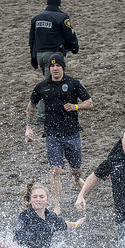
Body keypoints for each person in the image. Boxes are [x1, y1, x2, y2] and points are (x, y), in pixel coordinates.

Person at [25, 51, 93, 215]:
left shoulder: (73, 84)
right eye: (52, 66)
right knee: (55, 170)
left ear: (63, 66)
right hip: (52, 135)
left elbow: (89, 103)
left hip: (72, 134)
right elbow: (31, 107)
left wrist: (76, 106)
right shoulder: (42, 87)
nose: (55, 68)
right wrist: (29, 127)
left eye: (58, 65)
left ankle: (78, 182)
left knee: (75, 171)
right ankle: (56, 205)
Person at [13, 180, 85, 248]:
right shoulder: (24, 216)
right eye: (35, 197)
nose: (38, 199)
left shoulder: (51, 217)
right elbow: (17, 237)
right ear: (30, 200)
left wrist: (77, 224)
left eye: (41, 197)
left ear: (47, 200)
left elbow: (64, 224)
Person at [28, 0, 79, 126]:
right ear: (59, 3)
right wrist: (74, 48)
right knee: (48, 85)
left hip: (39, 55)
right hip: (53, 57)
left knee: (49, 81)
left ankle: (47, 112)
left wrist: (33, 57)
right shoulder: (62, 17)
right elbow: (70, 35)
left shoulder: (36, 18)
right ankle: (41, 116)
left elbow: (31, 39)